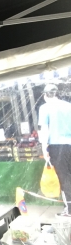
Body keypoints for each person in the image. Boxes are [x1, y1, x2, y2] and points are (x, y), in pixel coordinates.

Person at [38, 83, 71, 217]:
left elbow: (44, 130)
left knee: (64, 178)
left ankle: (69, 209)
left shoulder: (45, 108)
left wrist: (44, 150)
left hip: (57, 147)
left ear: (45, 95)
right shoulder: (68, 106)